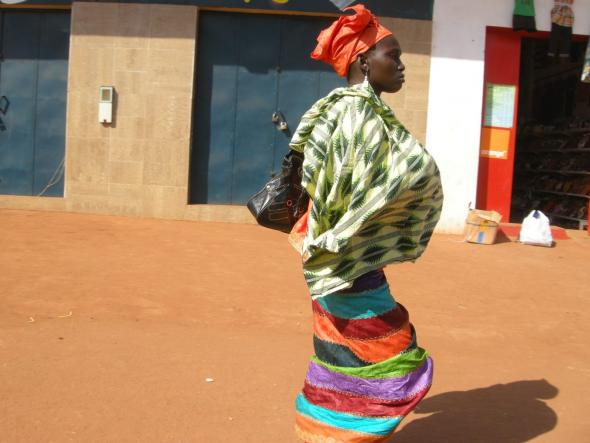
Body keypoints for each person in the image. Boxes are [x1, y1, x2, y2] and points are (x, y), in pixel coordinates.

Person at [288, 5, 444, 442]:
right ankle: (343, 432)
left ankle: (326, 430)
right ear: (362, 62)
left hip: (337, 258)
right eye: (392, 56)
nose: (401, 65)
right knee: (388, 354)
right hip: (346, 262)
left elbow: (329, 178)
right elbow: (363, 186)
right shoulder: (359, 115)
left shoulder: (337, 109)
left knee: (344, 356)